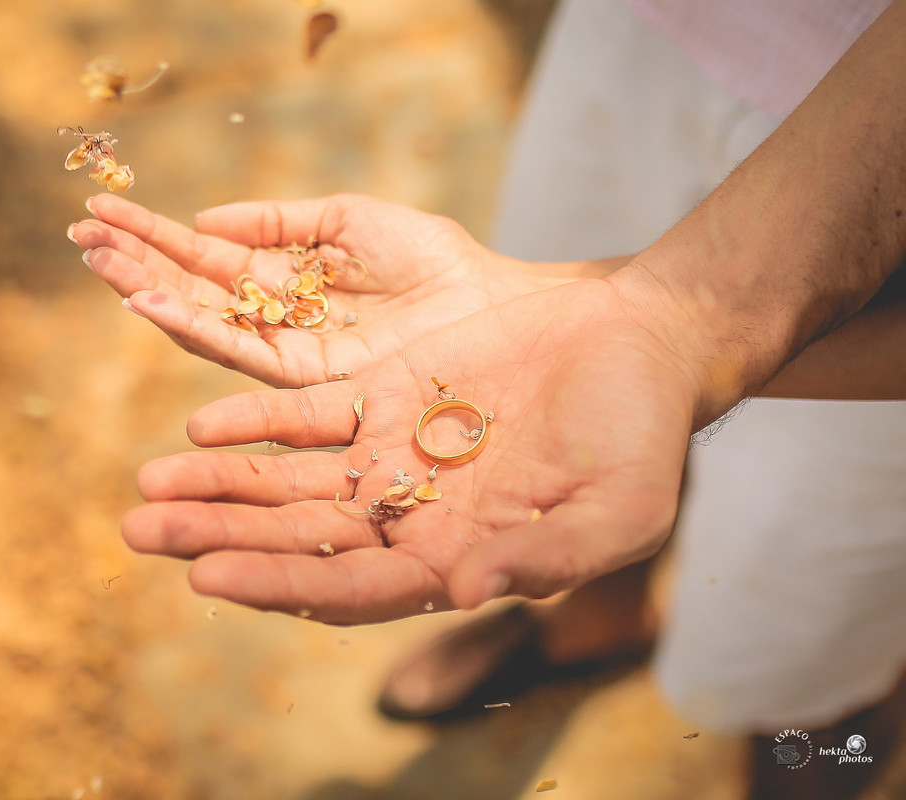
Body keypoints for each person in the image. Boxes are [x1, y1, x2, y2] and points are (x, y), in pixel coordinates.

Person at [69, 0, 906, 795]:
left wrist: (673, 331)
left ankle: (823, 723)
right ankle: (599, 620)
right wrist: (638, 324)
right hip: (654, 36)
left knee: (799, 626)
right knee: (572, 422)